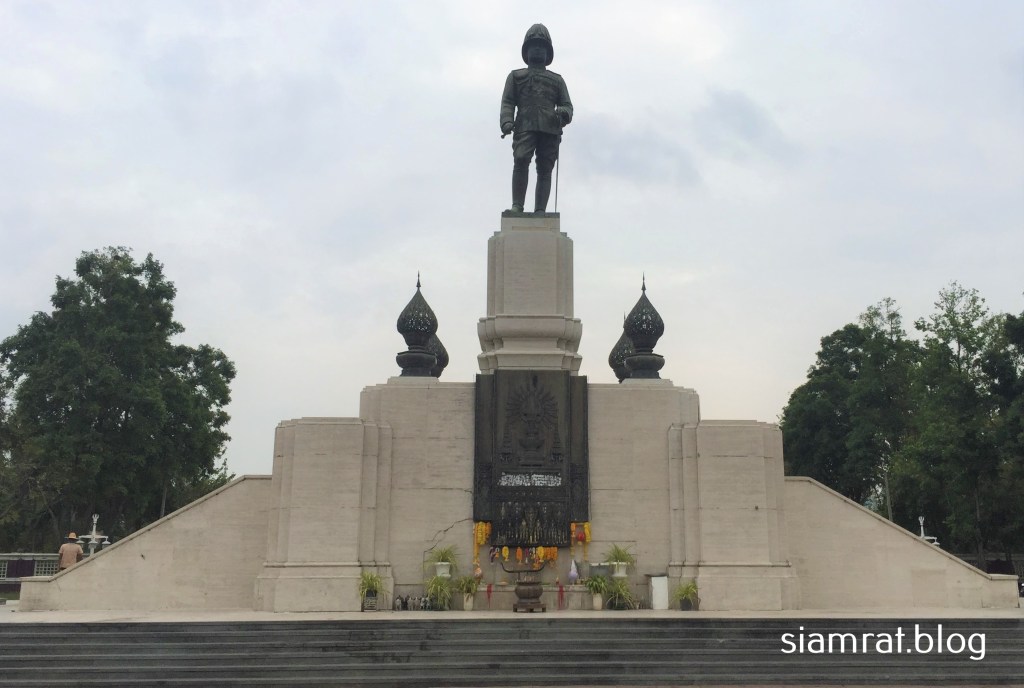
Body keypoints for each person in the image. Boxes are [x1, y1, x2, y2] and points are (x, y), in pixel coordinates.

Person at [500, 24, 573, 213]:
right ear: (527, 50)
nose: (538, 49)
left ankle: (540, 210)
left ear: (548, 53)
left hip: (550, 127)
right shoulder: (516, 77)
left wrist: (563, 113)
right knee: (521, 159)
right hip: (524, 124)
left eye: (542, 46)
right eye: (534, 45)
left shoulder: (557, 80)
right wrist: (507, 121)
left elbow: (567, 105)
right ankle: (518, 205)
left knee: (545, 168)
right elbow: (508, 102)